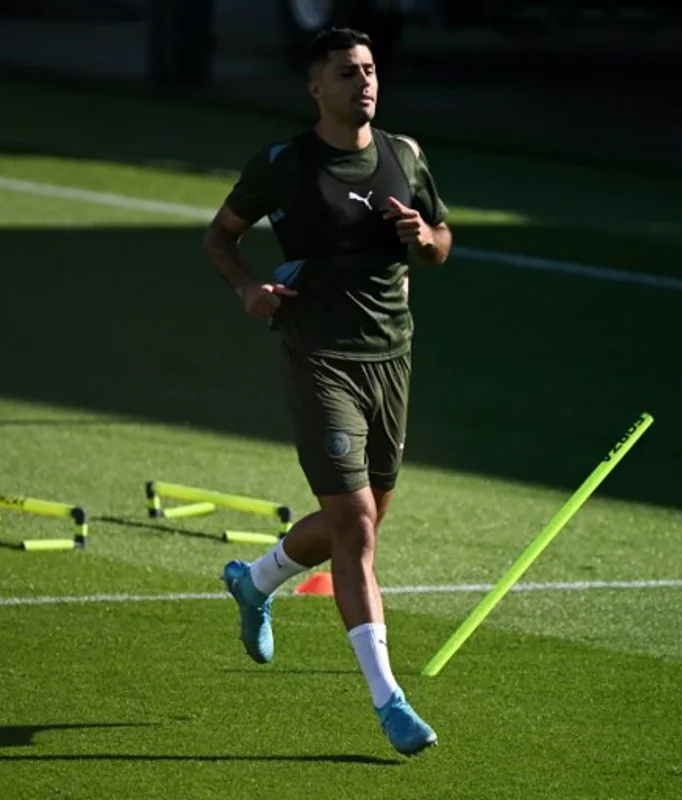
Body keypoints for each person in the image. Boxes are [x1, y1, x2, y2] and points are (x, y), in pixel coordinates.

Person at [200, 26, 452, 757]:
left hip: (392, 357)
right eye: (347, 73)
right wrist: (248, 288)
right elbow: (220, 237)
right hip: (319, 357)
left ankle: (255, 580)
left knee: (362, 519)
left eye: (370, 70)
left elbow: (441, 241)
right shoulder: (284, 165)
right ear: (317, 87)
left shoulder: (405, 155)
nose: (364, 83)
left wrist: (422, 238)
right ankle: (390, 702)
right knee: (358, 529)